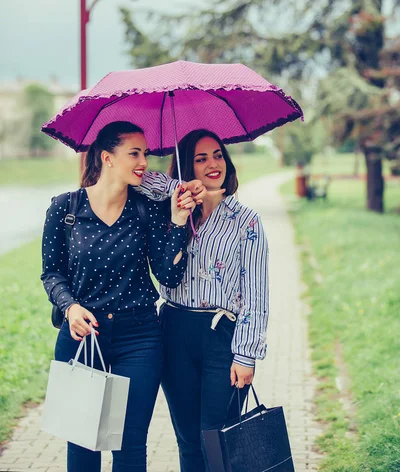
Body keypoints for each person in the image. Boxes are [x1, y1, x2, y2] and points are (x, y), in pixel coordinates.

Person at [41, 121, 196, 472]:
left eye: (145, 153)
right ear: (108, 158)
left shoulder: (146, 209)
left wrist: (176, 220)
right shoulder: (65, 209)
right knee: (83, 443)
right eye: (135, 153)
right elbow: (51, 273)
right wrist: (70, 306)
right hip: (82, 338)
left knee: (129, 447)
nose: (144, 161)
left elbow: (168, 275)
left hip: (139, 338)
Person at [157, 129, 269, 472]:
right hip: (173, 329)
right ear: (186, 166)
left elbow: (256, 292)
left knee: (217, 437)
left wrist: (246, 354)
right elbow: (141, 180)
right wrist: (179, 189)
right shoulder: (173, 213)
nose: (212, 164)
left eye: (218, 155)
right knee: (188, 439)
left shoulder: (246, 221)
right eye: (200, 158)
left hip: (221, 334)